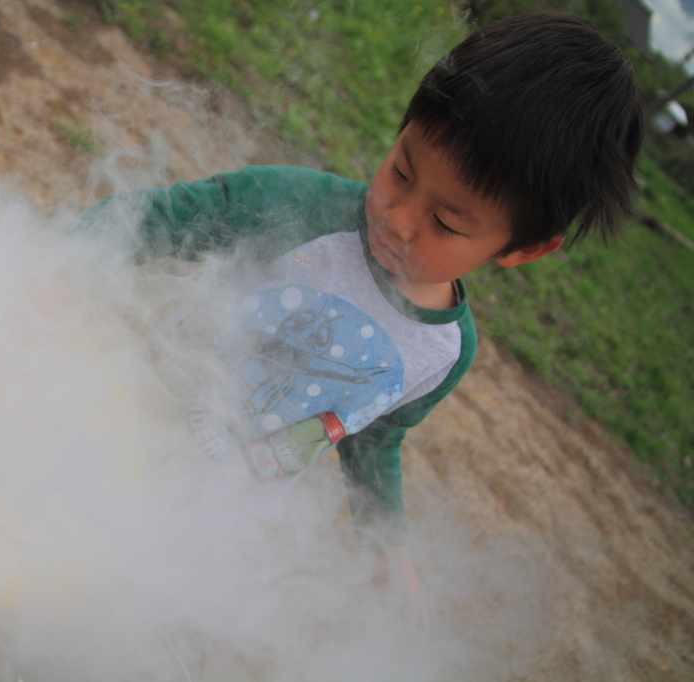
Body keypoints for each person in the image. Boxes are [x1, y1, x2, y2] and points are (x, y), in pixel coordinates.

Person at [77, 12, 644, 629]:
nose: (400, 218)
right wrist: (53, 264)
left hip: (219, 512)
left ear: (521, 249)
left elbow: (375, 435)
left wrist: (387, 546)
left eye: (447, 224)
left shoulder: (443, 353)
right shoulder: (296, 206)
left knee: (121, 620)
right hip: (123, 424)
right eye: (401, 169)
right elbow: (158, 219)